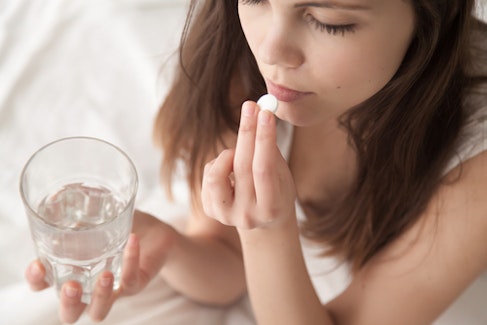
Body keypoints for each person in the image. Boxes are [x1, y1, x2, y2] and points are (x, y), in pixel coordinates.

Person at [26, 0, 487, 324]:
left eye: (329, 21)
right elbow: (228, 263)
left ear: (436, 13)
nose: (270, 51)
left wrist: (268, 232)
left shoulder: (476, 162)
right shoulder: (239, 58)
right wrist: (167, 244)